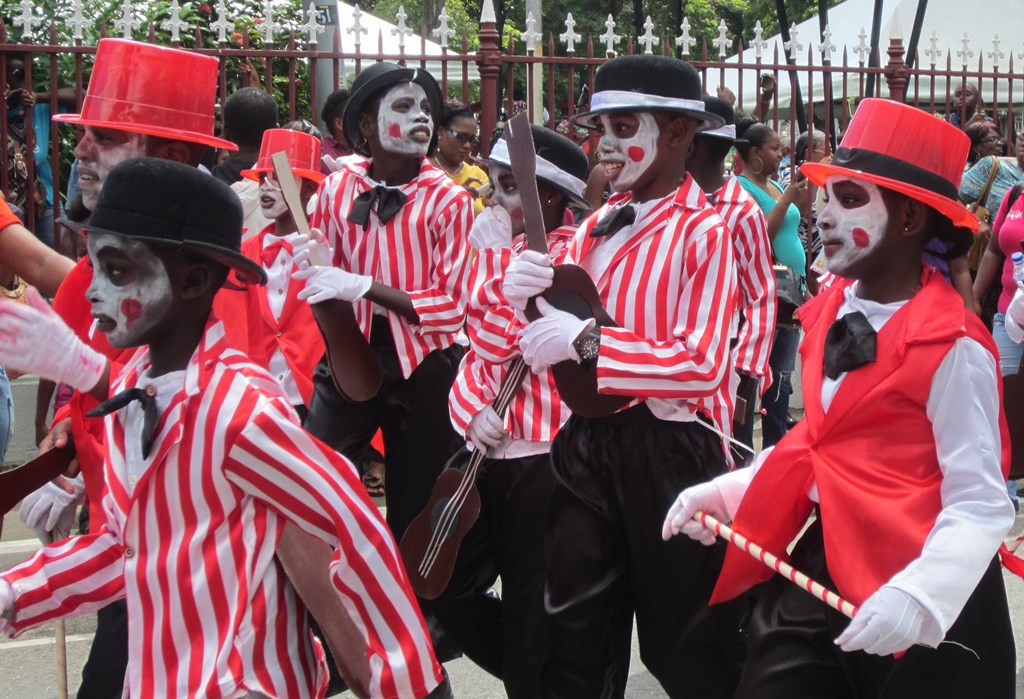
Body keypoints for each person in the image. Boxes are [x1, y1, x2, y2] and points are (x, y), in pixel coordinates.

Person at [0, 157, 450, 699]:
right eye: (94, 267)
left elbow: (352, 525)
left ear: (191, 281)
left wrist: (408, 681)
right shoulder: (137, 392)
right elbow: (129, 550)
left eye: (117, 270)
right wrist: (16, 594)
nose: (93, 291)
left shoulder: (239, 409)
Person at [664, 98, 1016, 698]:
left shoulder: (956, 347)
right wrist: (728, 492)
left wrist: (923, 594)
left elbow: (981, 502)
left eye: (848, 199)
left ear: (907, 221)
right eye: (825, 196)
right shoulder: (827, 310)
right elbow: (816, 444)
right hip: (824, 569)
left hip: (931, 596)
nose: (821, 215)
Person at [507, 54, 746, 697]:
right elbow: (540, 337)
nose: (604, 143)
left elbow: (701, 365)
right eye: (600, 126)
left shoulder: (708, 234)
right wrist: (523, 297)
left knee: (685, 643)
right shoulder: (590, 228)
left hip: (673, 452)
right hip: (585, 443)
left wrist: (587, 340)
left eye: (622, 124)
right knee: (572, 633)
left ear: (675, 133)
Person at [17, 38, 248, 699]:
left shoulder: (229, 284)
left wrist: (89, 375)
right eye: (82, 133)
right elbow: (78, 401)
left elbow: (200, 422)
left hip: (203, 572)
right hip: (118, 556)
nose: (81, 151)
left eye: (106, 135)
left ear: (174, 156)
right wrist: (66, 446)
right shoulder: (80, 283)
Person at [437, 125, 589, 697]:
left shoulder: (572, 256)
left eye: (504, 186)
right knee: (446, 584)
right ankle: (542, 677)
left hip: (545, 459)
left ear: (545, 198)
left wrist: (496, 258)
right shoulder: (487, 247)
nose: (491, 200)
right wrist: (472, 409)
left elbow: (508, 341)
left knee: (531, 597)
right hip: (483, 447)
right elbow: (466, 343)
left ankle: (539, 678)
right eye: (493, 186)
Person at [686, 96, 776, 464]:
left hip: (728, 362)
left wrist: (744, 370)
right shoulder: (669, 200)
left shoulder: (741, 210)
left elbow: (761, 294)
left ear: (694, 144)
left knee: (727, 457)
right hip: (681, 360)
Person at [238, 127, 325, 420]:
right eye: (263, 178)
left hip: (312, 395)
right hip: (256, 395)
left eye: (278, 178)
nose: (266, 188)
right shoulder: (242, 254)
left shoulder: (326, 250)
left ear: (310, 189)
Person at [734, 119, 808, 447]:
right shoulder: (741, 189)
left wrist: (806, 186)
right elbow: (760, 235)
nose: (781, 154)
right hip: (765, 294)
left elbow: (800, 215)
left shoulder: (775, 185)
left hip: (791, 292)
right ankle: (744, 445)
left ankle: (777, 445)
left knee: (782, 374)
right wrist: (787, 196)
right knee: (758, 375)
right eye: (775, 148)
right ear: (754, 153)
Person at [4, 51, 76, 249]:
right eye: (14, 74)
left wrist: (41, 97)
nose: (19, 81)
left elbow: (82, 97)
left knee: (61, 255)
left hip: (42, 201)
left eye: (24, 74)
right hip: (5, 205)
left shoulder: (37, 109)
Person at [431, 101, 489, 213]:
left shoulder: (478, 176)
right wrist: (455, 196)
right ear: (440, 132)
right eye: (461, 137)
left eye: (472, 140)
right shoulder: (421, 170)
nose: (467, 145)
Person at [320, 87, 355, 174]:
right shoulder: (322, 150)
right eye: (355, 116)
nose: (362, 121)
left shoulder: (365, 148)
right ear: (339, 124)